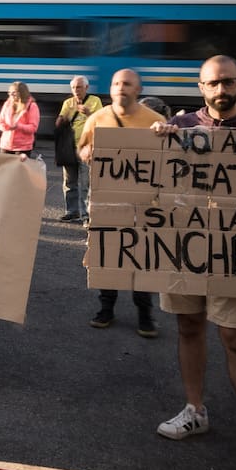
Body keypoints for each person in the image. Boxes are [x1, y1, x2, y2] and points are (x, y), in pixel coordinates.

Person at [148, 55, 236, 470]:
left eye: (228, 82)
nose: (220, 90)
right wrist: (156, 140)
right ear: (201, 86)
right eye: (212, 83)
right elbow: (149, 180)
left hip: (235, 249)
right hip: (183, 247)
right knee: (189, 326)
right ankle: (195, 410)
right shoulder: (182, 126)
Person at [78, 69, 165, 338]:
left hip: (144, 204)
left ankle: (145, 314)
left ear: (137, 90)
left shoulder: (155, 120)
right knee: (108, 255)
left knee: (141, 258)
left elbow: (168, 159)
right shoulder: (98, 117)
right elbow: (81, 149)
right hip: (107, 202)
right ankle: (106, 309)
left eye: (126, 84)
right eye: (116, 83)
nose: (120, 88)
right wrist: (87, 153)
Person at [56, 76, 102, 221]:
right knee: (69, 181)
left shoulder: (95, 101)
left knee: (85, 183)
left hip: (87, 147)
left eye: (79, 87)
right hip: (70, 147)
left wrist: (88, 113)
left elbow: (101, 121)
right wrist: (63, 119)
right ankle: (72, 211)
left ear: (86, 88)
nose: (76, 90)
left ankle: (86, 214)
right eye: (74, 88)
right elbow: (59, 123)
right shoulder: (68, 103)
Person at [0, 81, 39, 156]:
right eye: (9, 92)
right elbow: (0, 122)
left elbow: (33, 128)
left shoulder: (32, 106)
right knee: (5, 168)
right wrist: (6, 127)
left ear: (21, 93)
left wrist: (18, 126)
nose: (10, 95)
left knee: (19, 168)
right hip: (5, 145)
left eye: (14, 92)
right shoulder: (7, 104)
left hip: (22, 147)